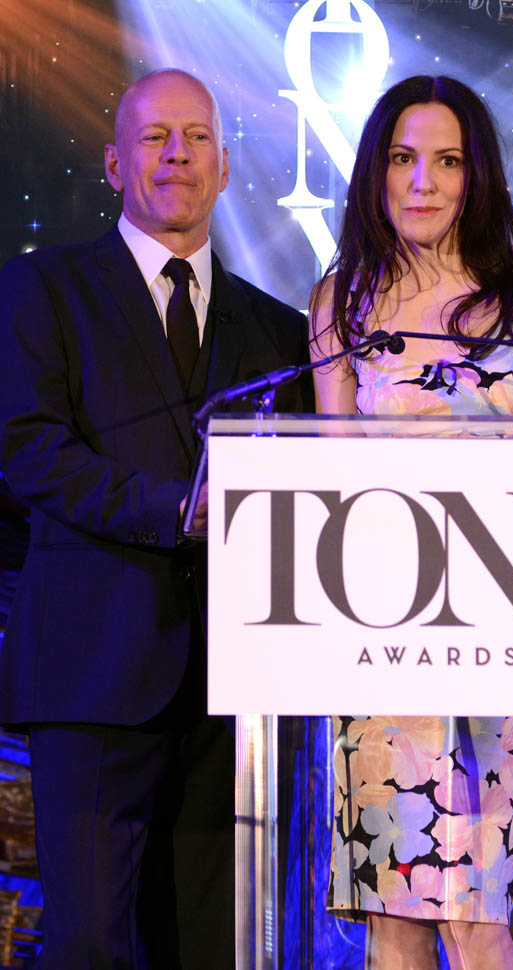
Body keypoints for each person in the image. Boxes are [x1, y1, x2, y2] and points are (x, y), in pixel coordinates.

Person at [0, 68, 312, 970]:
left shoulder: (279, 328)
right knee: (93, 946)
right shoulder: (42, 288)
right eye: (154, 137)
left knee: (213, 948)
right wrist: (177, 508)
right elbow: (29, 449)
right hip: (92, 672)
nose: (178, 154)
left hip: (235, 691)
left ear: (224, 167)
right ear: (113, 164)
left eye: (197, 137)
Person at [309, 75, 513, 970]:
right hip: (384, 632)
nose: (422, 181)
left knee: (477, 916)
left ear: (477, 175)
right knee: (392, 918)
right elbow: (331, 478)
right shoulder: (341, 301)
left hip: (502, 624)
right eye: (402, 158)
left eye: (446, 160)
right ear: (375, 172)